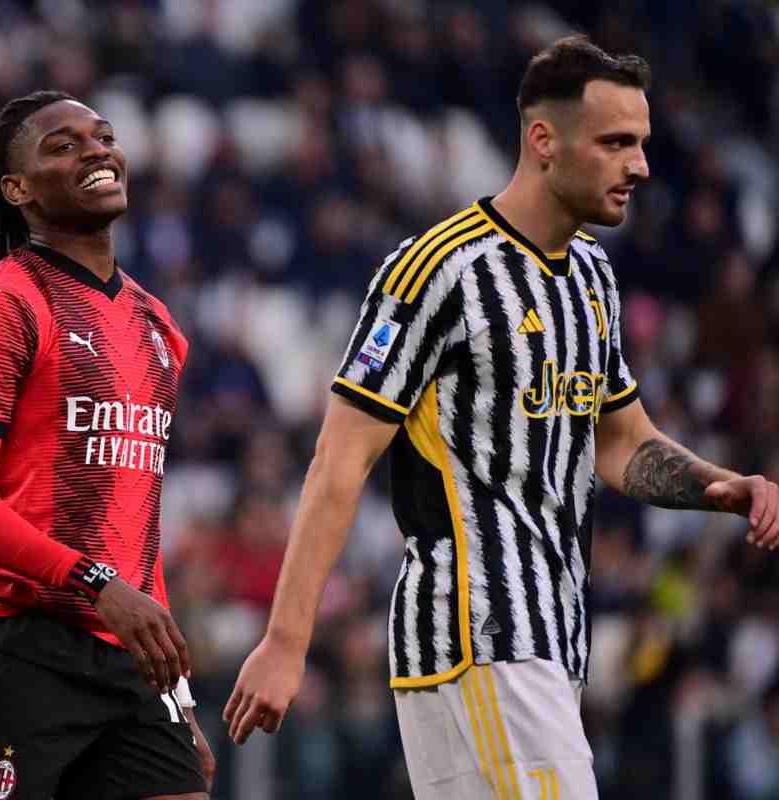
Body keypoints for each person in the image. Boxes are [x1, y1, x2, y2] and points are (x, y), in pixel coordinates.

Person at [224, 34, 779, 800]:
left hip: (545, 639)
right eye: (617, 142)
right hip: (481, 631)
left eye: (643, 144)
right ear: (543, 141)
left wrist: (720, 485)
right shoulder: (438, 270)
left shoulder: (591, 276)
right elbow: (338, 461)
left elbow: (619, 441)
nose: (641, 166)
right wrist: (287, 644)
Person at [0, 90, 214, 800]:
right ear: (17, 189)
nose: (95, 151)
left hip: (131, 659)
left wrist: (175, 685)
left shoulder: (157, 324)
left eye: (104, 136)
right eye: (63, 145)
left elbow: (134, 515)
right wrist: (94, 583)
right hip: (20, 649)